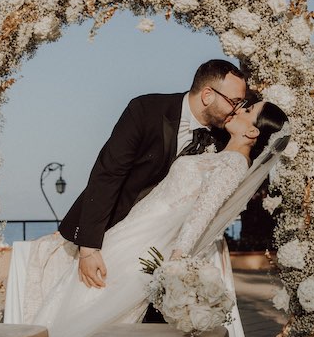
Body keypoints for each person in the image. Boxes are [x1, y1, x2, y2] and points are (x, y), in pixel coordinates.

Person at [20, 100, 289, 337]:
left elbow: (201, 214)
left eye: (249, 109)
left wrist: (176, 262)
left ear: (252, 131)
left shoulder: (233, 165)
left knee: (89, 311)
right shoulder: (224, 155)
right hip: (133, 231)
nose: (240, 108)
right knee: (80, 302)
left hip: (145, 244)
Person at [57, 59, 248, 290]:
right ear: (207, 95)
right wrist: (88, 248)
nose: (237, 110)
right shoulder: (145, 111)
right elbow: (108, 173)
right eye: (234, 101)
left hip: (168, 245)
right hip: (114, 231)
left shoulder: (226, 140)